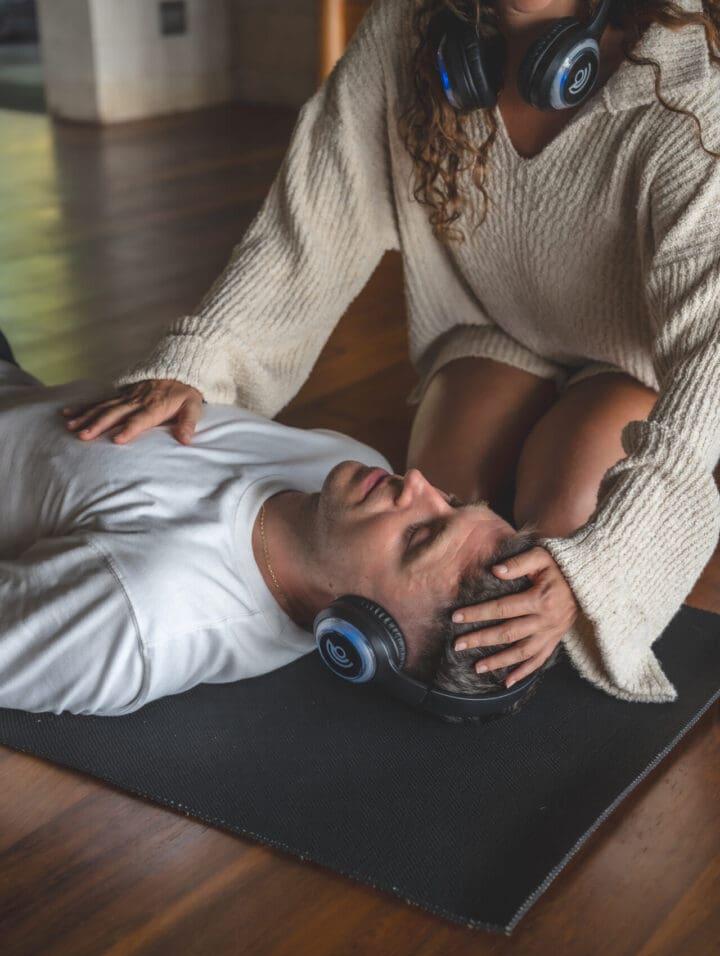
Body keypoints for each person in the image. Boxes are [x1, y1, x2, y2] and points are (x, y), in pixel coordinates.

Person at [61, 0, 720, 703]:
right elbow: (308, 232)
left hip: (637, 360)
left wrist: (601, 569)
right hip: (492, 330)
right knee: (419, 542)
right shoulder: (408, 30)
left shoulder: (686, 90)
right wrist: (196, 361)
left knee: (543, 563)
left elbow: (712, 356)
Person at [0, 356, 567, 718]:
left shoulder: (143, 616)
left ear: (361, 633)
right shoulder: (352, 470)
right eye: (454, 500)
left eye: (420, 535)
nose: (417, 483)